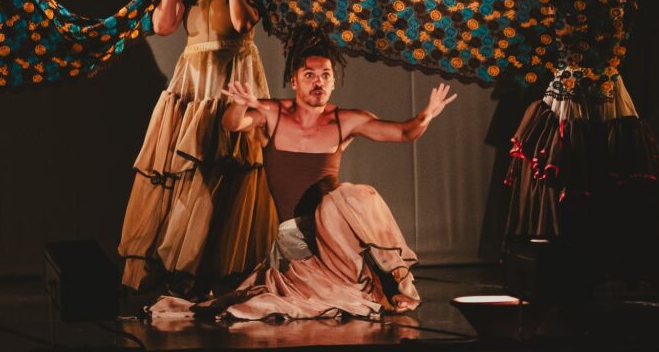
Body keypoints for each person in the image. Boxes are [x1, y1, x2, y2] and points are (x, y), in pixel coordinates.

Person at [153, 25, 458, 319]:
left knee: (353, 196)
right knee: (313, 287)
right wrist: (238, 105)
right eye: (309, 75)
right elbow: (232, 124)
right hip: (297, 238)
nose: (318, 82)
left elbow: (404, 133)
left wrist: (426, 115)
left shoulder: (345, 120)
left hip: (337, 232)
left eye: (325, 75)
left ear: (334, 82)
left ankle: (391, 282)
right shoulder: (273, 113)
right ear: (294, 81)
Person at [118, 0, 276, 295]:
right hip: (192, 82)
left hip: (229, 80)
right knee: (183, 173)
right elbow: (162, 25)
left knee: (220, 173)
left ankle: (213, 271)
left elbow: (242, 23)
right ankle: (180, 271)